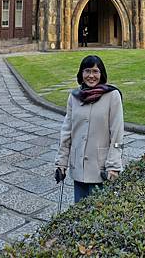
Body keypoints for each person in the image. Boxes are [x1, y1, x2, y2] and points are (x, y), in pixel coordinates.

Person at [55, 55, 124, 203]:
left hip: (101, 169)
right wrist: (61, 164)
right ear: (81, 74)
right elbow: (67, 132)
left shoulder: (112, 96)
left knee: (98, 216)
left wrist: (113, 166)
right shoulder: (74, 97)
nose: (91, 76)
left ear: (101, 74)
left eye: (95, 71)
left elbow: (117, 135)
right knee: (79, 214)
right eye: (87, 71)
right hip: (78, 167)